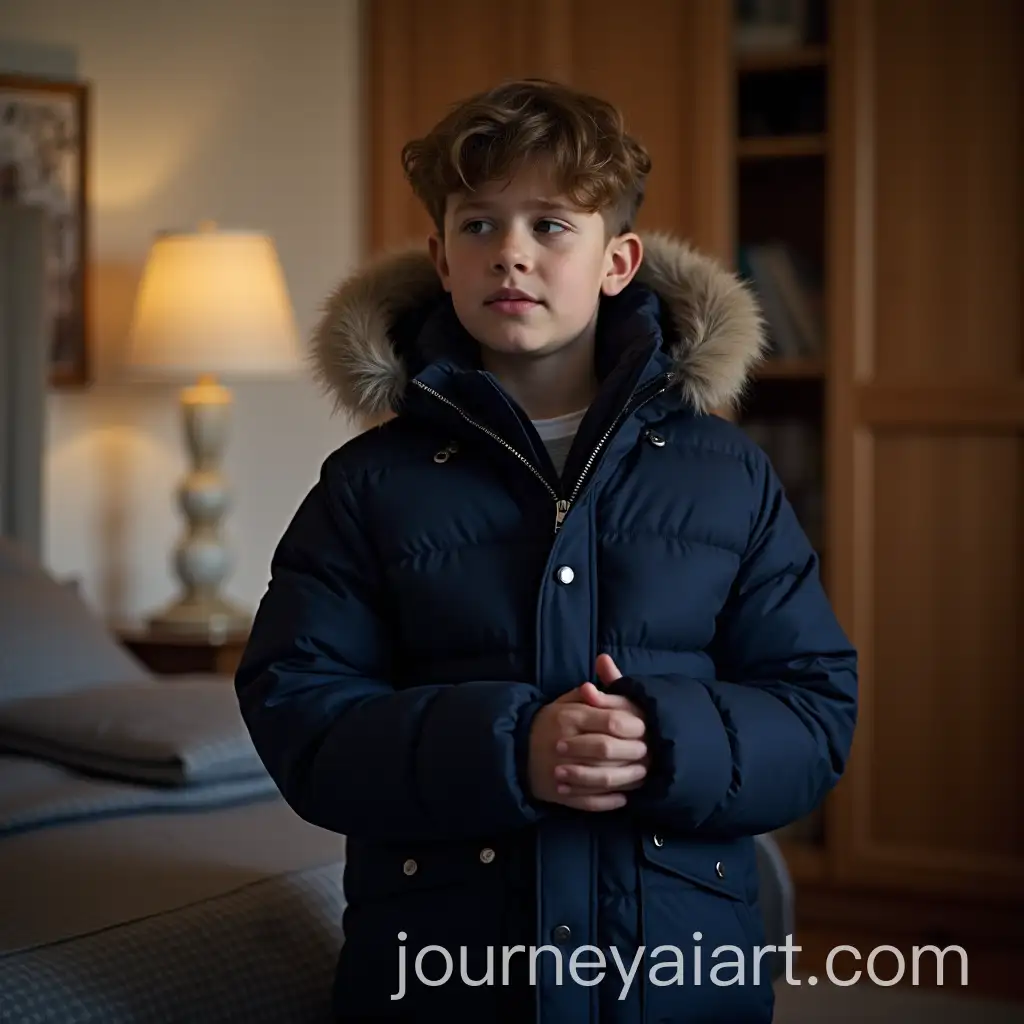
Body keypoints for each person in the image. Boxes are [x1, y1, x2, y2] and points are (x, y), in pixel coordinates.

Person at [234, 78, 858, 1024]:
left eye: (551, 226)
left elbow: (815, 711)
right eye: (479, 226)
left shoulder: (728, 475)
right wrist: (509, 747)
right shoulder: (369, 484)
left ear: (619, 259)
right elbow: (300, 713)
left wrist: (665, 743)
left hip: (679, 978)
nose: (511, 254)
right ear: (441, 258)